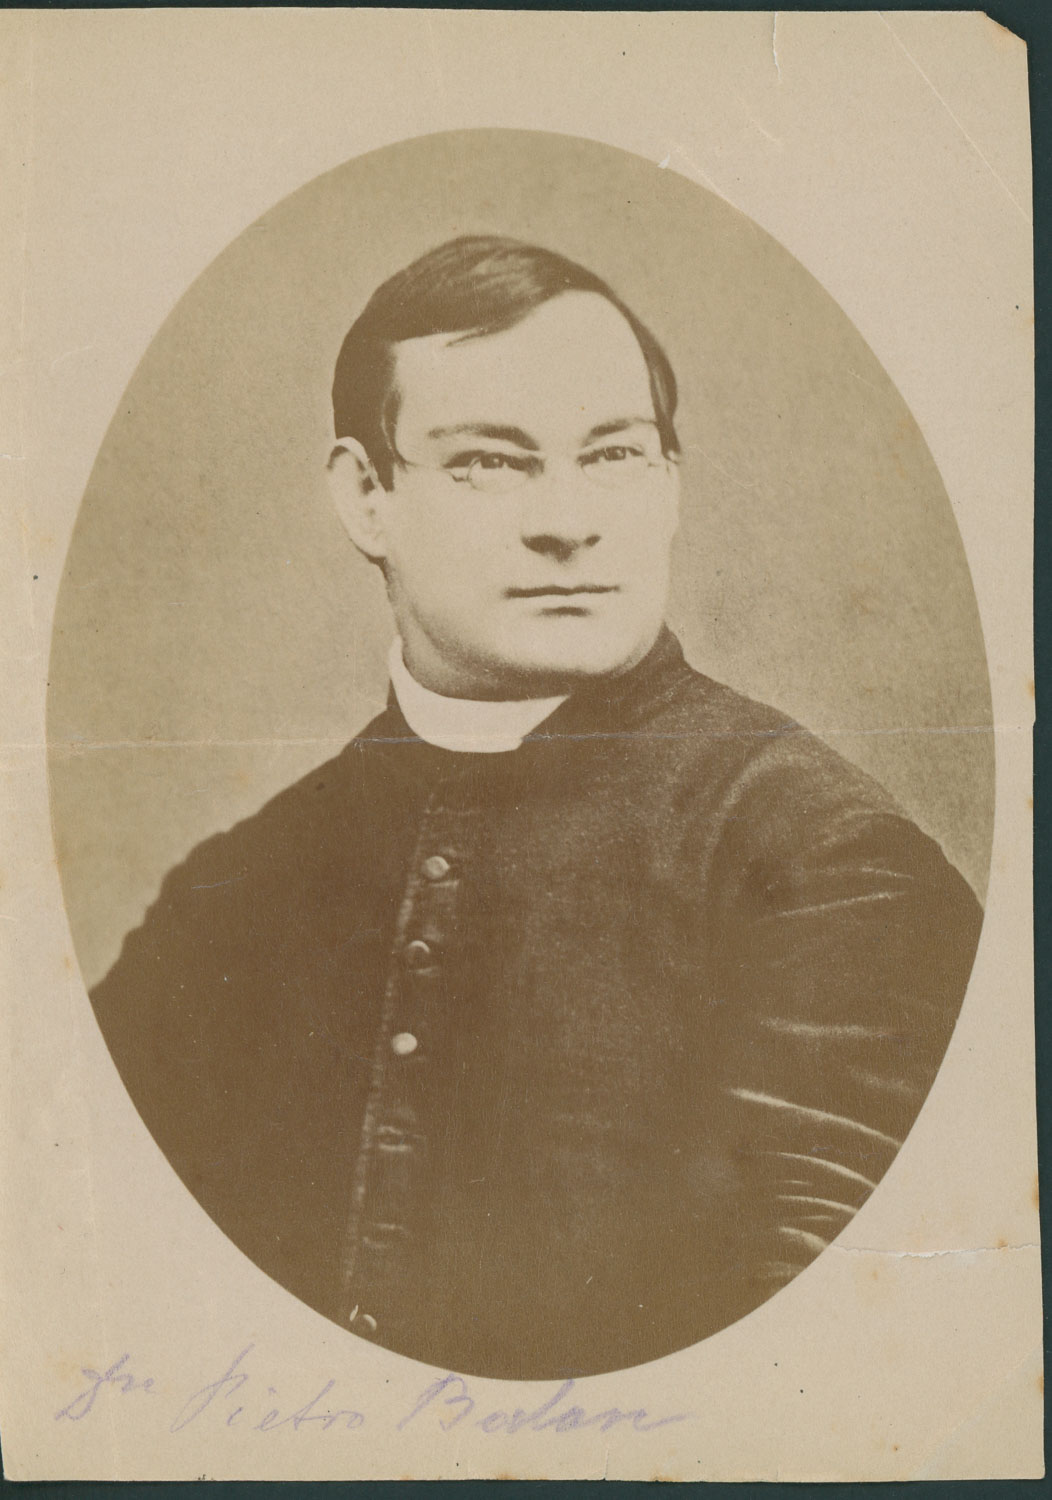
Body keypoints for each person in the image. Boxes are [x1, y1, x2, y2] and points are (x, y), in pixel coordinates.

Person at [90, 235, 983, 1380]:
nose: (568, 520)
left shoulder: (824, 864)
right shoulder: (227, 894)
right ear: (365, 497)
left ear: (667, 483)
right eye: (488, 463)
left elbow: (833, 1367)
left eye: (613, 454)